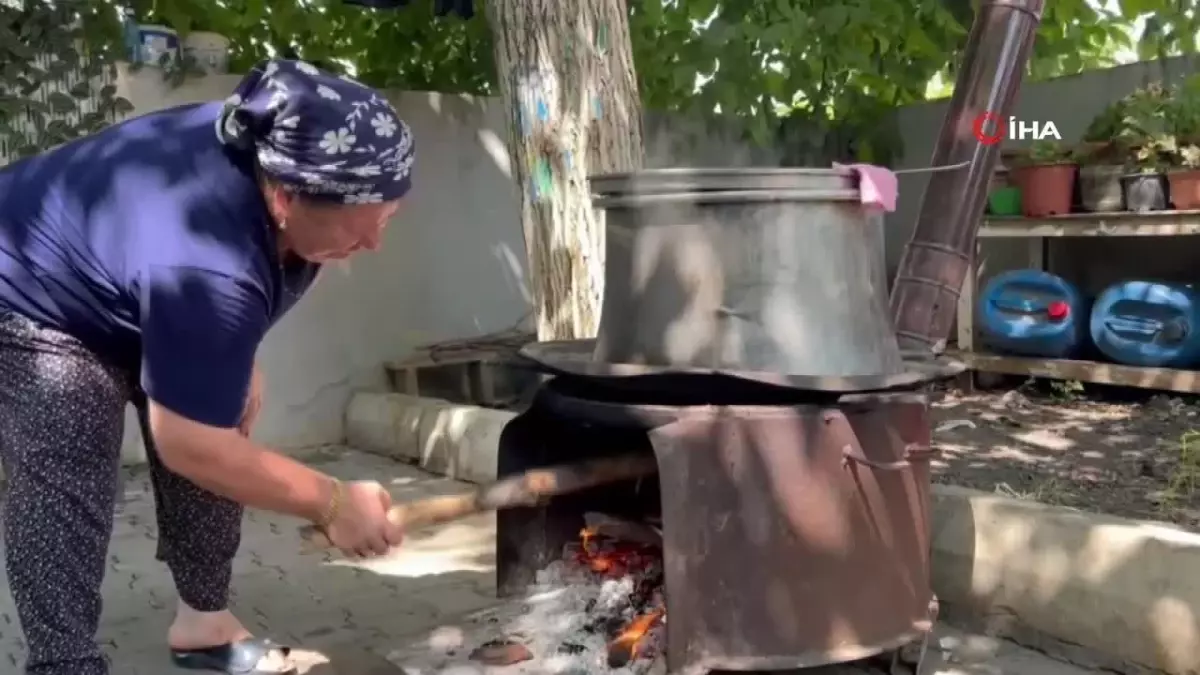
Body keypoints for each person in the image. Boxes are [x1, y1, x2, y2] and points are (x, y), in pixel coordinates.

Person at [0, 59, 414, 675]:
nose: (374, 245)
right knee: (70, 465)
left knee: (224, 421)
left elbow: (243, 293)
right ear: (283, 195)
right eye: (358, 229)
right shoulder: (205, 259)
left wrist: (234, 359)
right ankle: (63, 662)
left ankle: (203, 622)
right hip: (30, 292)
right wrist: (330, 502)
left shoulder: (270, 152)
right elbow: (189, 445)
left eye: (385, 219)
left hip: (135, 280)